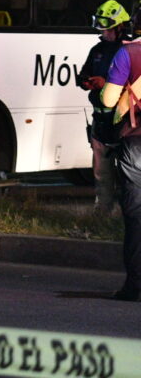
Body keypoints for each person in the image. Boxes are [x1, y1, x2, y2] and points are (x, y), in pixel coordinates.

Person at [78, 0, 132, 217]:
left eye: (107, 27)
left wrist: (107, 83)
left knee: (129, 171)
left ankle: (129, 214)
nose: (104, 32)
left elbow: (133, 86)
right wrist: (86, 82)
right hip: (100, 121)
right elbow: (83, 74)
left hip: (123, 121)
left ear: (119, 27)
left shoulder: (129, 50)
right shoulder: (97, 50)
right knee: (102, 172)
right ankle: (103, 213)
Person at [101, 24, 141, 302]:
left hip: (135, 141)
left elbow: (108, 99)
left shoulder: (128, 54)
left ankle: (135, 286)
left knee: (136, 216)